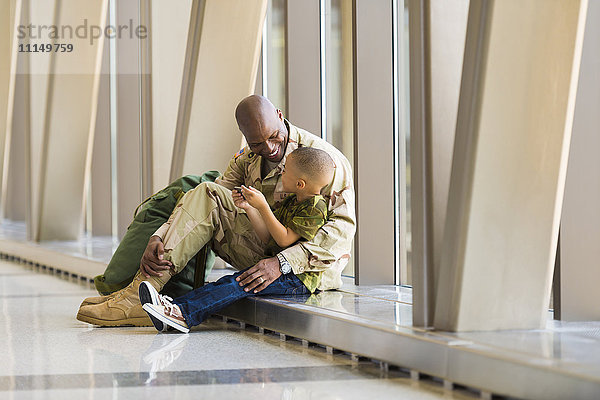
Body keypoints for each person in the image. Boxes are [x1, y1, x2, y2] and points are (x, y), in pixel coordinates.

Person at [76, 95, 355, 327]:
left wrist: (281, 264)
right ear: (245, 136)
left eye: (274, 137)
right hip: (263, 246)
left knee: (225, 277)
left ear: (280, 116)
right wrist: (160, 235)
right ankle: (139, 294)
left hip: (305, 268)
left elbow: (339, 233)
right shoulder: (248, 157)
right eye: (257, 143)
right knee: (207, 191)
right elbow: (211, 196)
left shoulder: (322, 159)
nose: (268, 148)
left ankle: (144, 302)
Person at [139, 147, 334, 332]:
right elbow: (268, 237)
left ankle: (182, 315)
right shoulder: (293, 200)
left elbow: (284, 240)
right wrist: (249, 208)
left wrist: (263, 206)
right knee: (226, 282)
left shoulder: (315, 207)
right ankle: (174, 309)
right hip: (283, 271)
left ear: (300, 183)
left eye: (286, 171)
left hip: (296, 278)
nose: (281, 172)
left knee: (236, 284)